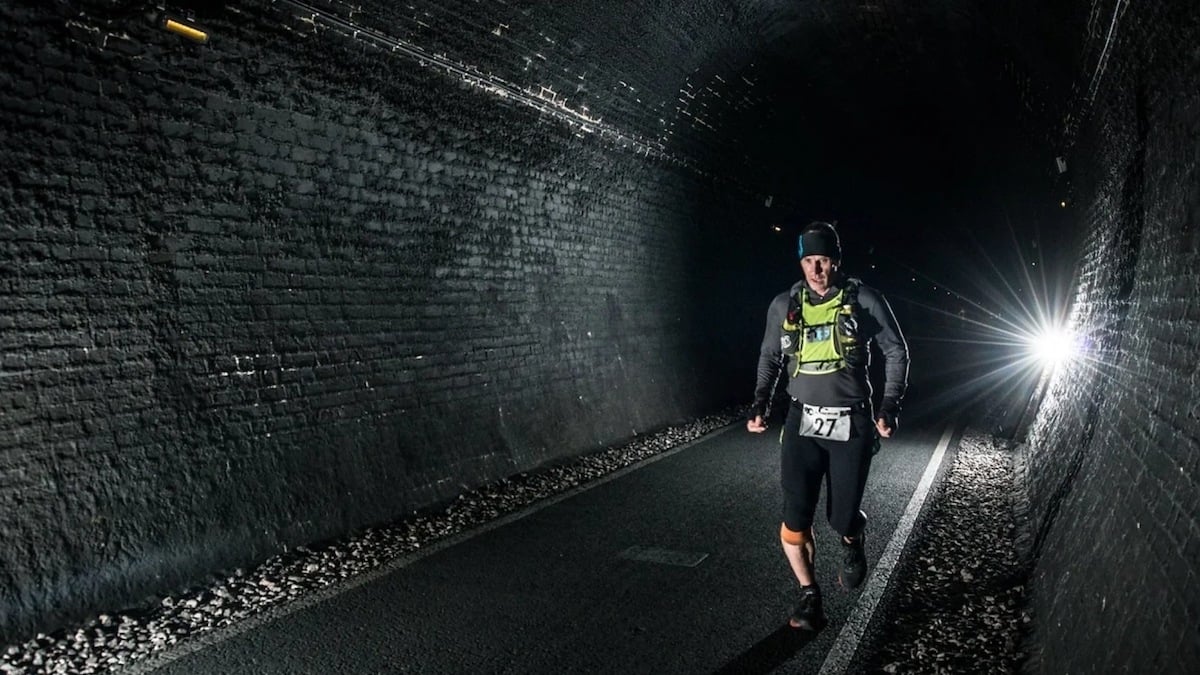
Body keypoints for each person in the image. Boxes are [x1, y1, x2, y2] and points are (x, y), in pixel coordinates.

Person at [747, 221, 909, 631]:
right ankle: (809, 595)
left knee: (840, 517)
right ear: (800, 263)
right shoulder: (783, 305)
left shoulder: (865, 300)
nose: (817, 269)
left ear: (836, 260)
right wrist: (760, 404)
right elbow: (769, 356)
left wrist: (888, 406)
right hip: (802, 420)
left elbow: (896, 351)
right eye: (808, 261)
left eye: (823, 260)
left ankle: (852, 537)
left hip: (850, 422)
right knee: (794, 517)